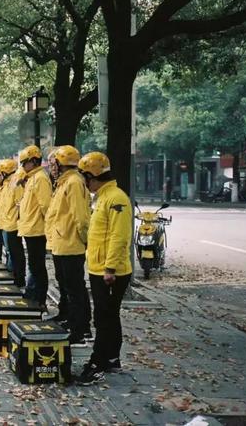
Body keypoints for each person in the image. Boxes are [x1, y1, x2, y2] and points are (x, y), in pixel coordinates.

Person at [76, 152, 132, 385]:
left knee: (104, 318)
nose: (84, 183)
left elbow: (119, 237)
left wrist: (110, 268)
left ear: (93, 176)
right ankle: (111, 358)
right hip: (100, 267)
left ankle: (97, 363)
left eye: (85, 178)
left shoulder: (116, 198)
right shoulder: (102, 197)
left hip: (110, 272)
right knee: (109, 315)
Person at [44, 145, 92, 346]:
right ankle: (67, 317)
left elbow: (81, 218)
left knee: (75, 288)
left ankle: (80, 327)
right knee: (65, 284)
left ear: (62, 163)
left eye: (54, 162)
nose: (51, 167)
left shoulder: (73, 183)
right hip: (61, 242)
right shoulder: (63, 182)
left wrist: (82, 240)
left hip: (71, 243)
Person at [17, 146, 52, 307]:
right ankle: (34, 294)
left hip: (37, 229)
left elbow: (45, 205)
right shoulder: (32, 178)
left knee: (38, 266)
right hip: (31, 228)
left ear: (33, 161)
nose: (22, 166)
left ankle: (40, 299)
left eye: (24, 163)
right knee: (34, 265)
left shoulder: (40, 178)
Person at [0, 158, 24, 284]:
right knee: (11, 251)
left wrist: (18, 221)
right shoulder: (7, 184)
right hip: (7, 223)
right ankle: (15, 275)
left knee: (16, 252)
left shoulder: (15, 183)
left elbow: (19, 204)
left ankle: (19, 278)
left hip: (13, 224)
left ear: (6, 172)